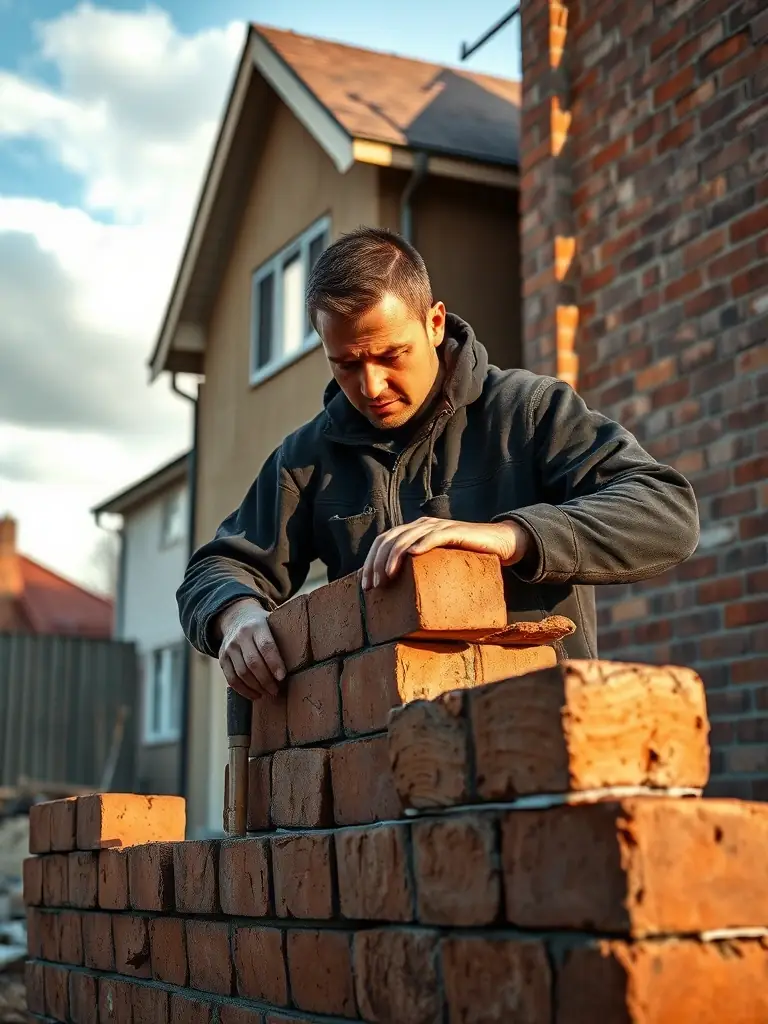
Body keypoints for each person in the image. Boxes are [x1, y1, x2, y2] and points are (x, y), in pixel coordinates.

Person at [177, 227, 700, 701]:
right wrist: (236, 615)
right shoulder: (307, 458)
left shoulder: (528, 411)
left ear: (433, 323)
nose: (371, 386)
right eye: (347, 364)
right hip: (382, 753)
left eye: (390, 355)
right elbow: (215, 568)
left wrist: (510, 536)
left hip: (539, 737)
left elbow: (666, 511)